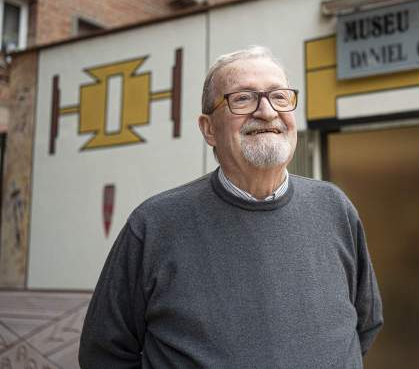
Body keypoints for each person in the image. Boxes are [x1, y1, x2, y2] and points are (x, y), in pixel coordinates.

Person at [79, 46, 383, 368]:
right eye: (243, 98)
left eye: (279, 97)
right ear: (209, 129)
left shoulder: (334, 208)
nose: (267, 112)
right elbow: (103, 354)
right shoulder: (153, 225)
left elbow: (365, 324)